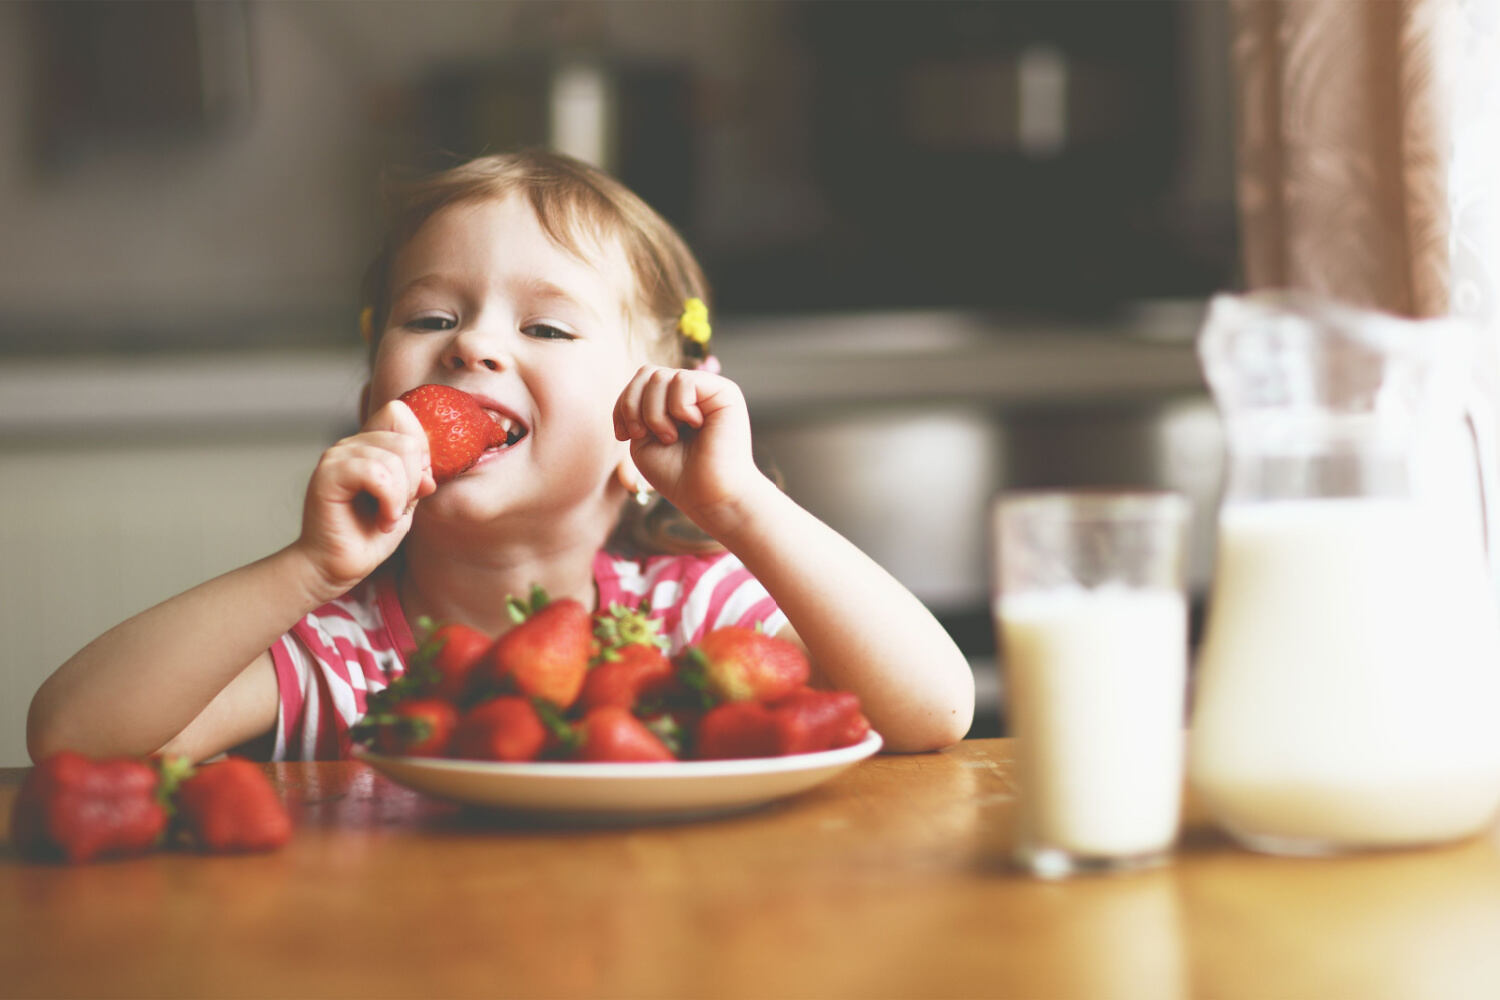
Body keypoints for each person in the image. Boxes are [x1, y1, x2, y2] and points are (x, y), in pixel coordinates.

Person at [26, 150, 975, 763]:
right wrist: (307, 569)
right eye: (431, 317)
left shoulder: (692, 612)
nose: (472, 347)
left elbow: (933, 713)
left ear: (644, 426)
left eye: (547, 328)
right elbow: (75, 739)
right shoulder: (340, 651)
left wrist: (740, 509)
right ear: (371, 405)